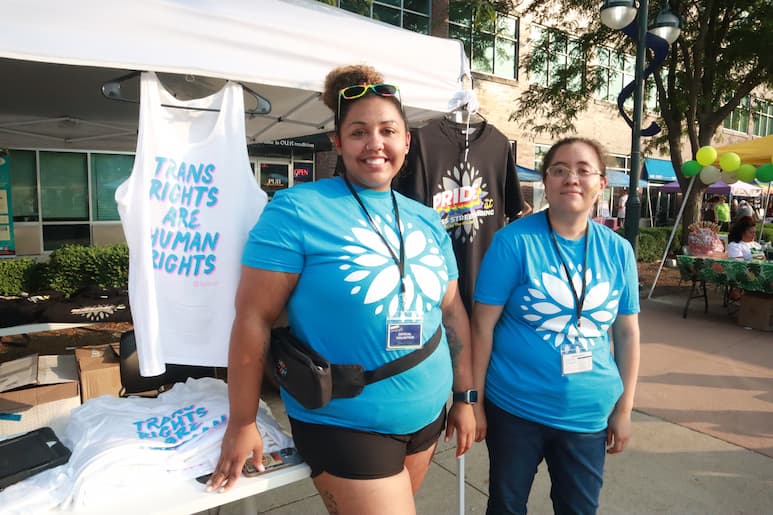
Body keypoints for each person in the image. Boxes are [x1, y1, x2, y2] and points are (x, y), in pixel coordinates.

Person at [206, 64, 476, 515]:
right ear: (338, 143)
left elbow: (452, 314)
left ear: (406, 142)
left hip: (429, 417)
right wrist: (242, 420)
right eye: (359, 132)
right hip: (344, 421)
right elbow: (253, 316)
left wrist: (465, 397)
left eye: (388, 130)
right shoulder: (296, 210)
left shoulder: (427, 219)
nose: (375, 143)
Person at [470, 137, 641, 515]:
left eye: (583, 170)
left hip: (588, 412)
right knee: (506, 506)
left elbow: (627, 334)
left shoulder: (618, 251)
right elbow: (481, 327)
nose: (571, 179)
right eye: (559, 170)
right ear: (545, 181)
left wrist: (624, 410)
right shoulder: (513, 242)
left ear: (602, 183)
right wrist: (475, 402)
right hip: (515, 407)